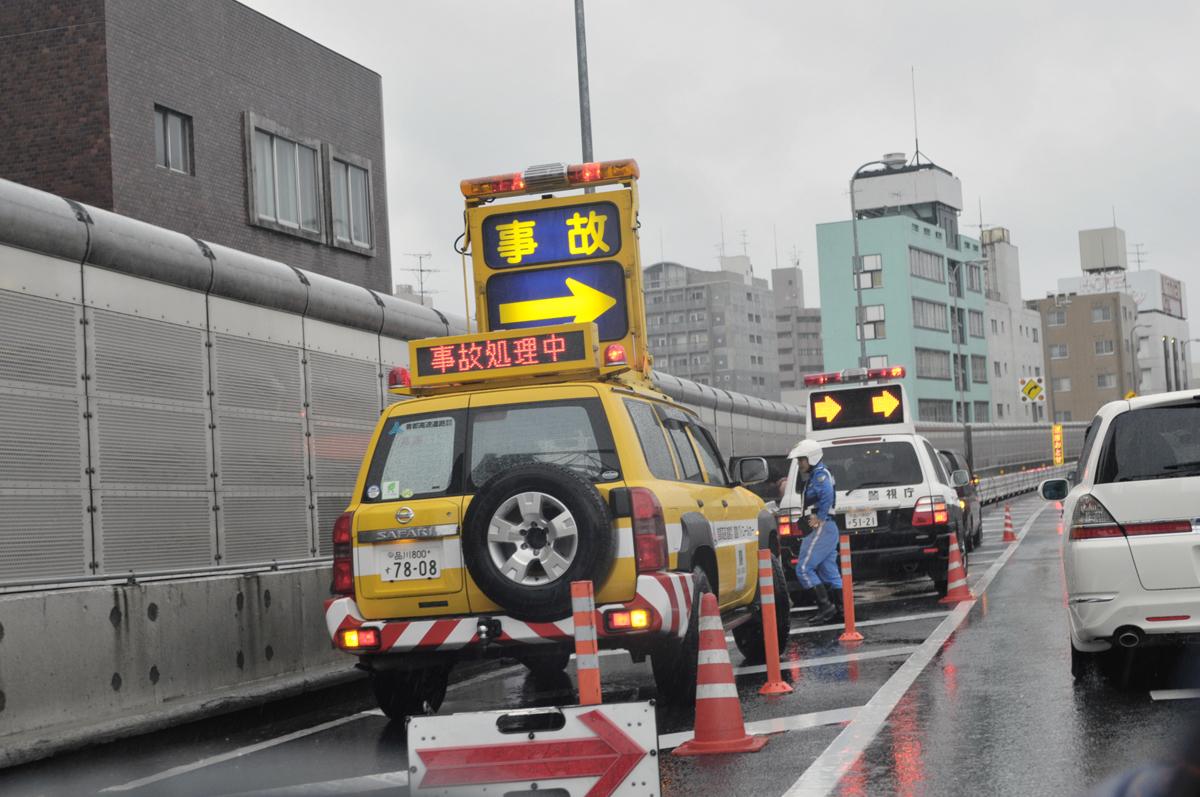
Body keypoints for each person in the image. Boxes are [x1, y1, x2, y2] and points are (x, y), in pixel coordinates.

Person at [790, 439, 843, 626]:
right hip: (827, 528)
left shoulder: (820, 475)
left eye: (801, 460)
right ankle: (840, 610)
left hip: (822, 527)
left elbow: (827, 494)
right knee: (829, 571)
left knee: (803, 569)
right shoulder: (817, 475)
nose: (799, 463)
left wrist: (819, 517)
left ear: (811, 458)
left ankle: (826, 607)